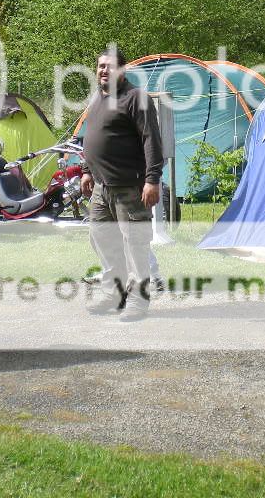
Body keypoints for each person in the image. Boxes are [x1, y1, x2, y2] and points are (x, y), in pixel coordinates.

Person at [80, 47, 163, 322]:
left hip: (131, 186)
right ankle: (114, 293)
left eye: (110, 66)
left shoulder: (136, 98)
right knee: (103, 240)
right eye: (101, 66)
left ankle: (139, 301)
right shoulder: (97, 99)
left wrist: (152, 180)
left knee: (135, 245)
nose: (104, 71)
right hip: (101, 188)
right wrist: (86, 170)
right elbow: (90, 136)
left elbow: (151, 139)